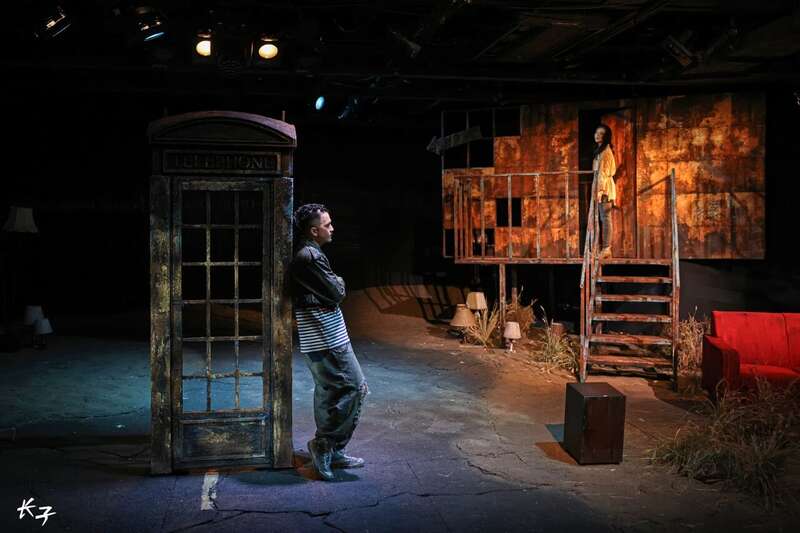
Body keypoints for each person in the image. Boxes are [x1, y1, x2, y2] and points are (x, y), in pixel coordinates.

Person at [291, 203, 368, 480]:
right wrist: (339, 281)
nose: (332, 228)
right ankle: (324, 445)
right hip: (326, 335)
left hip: (322, 334)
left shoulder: (308, 252)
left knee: (332, 391)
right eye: (327, 225)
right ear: (314, 231)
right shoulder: (311, 256)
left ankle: (332, 449)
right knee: (353, 387)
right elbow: (337, 292)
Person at [593, 124, 617, 258]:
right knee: (603, 218)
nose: (597, 135)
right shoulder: (600, 151)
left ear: (606, 136)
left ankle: (606, 248)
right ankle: (603, 248)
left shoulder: (606, 152)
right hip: (601, 188)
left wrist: (600, 191)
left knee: (606, 218)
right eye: (597, 132)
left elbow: (603, 173)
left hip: (605, 190)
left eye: (601, 133)